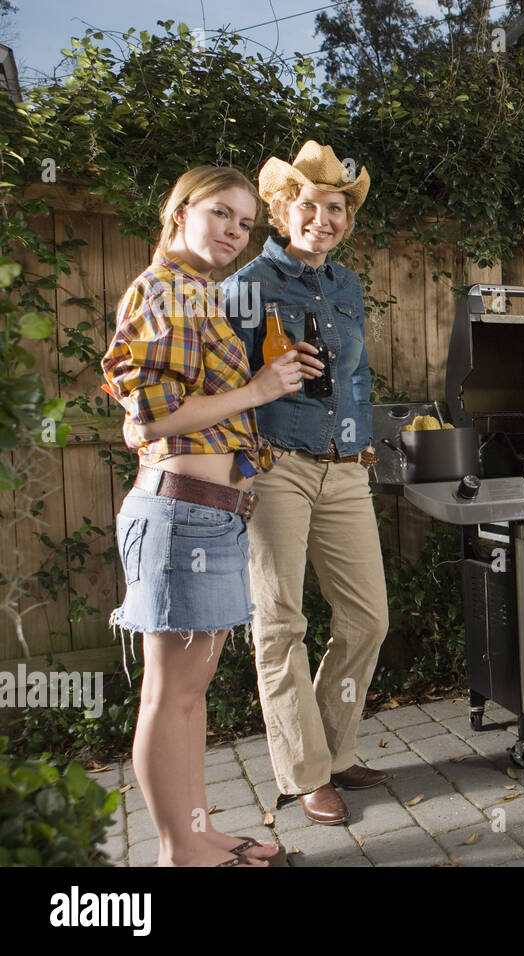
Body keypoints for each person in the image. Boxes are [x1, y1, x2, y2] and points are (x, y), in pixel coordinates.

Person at [102, 165, 314, 865]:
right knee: (172, 696)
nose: (235, 231)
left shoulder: (195, 294)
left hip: (208, 513)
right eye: (221, 213)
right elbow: (154, 413)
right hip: (180, 515)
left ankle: (198, 833)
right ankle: (180, 852)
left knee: (191, 698)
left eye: (247, 223)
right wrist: (256, 390)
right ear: (179, 211)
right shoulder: (163, 291)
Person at [222, 141, 389, 826]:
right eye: (312, 205)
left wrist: (364, 435)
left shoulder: (346, 285)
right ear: (283, 211)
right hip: (276, 468)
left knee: (367, 619)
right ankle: (302, 774)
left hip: (346, 469)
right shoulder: (247, 286)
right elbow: (218, 382)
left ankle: (334, 746)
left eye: (338, 207)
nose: (325, 217)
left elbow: (356, 374)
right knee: (280, 623)